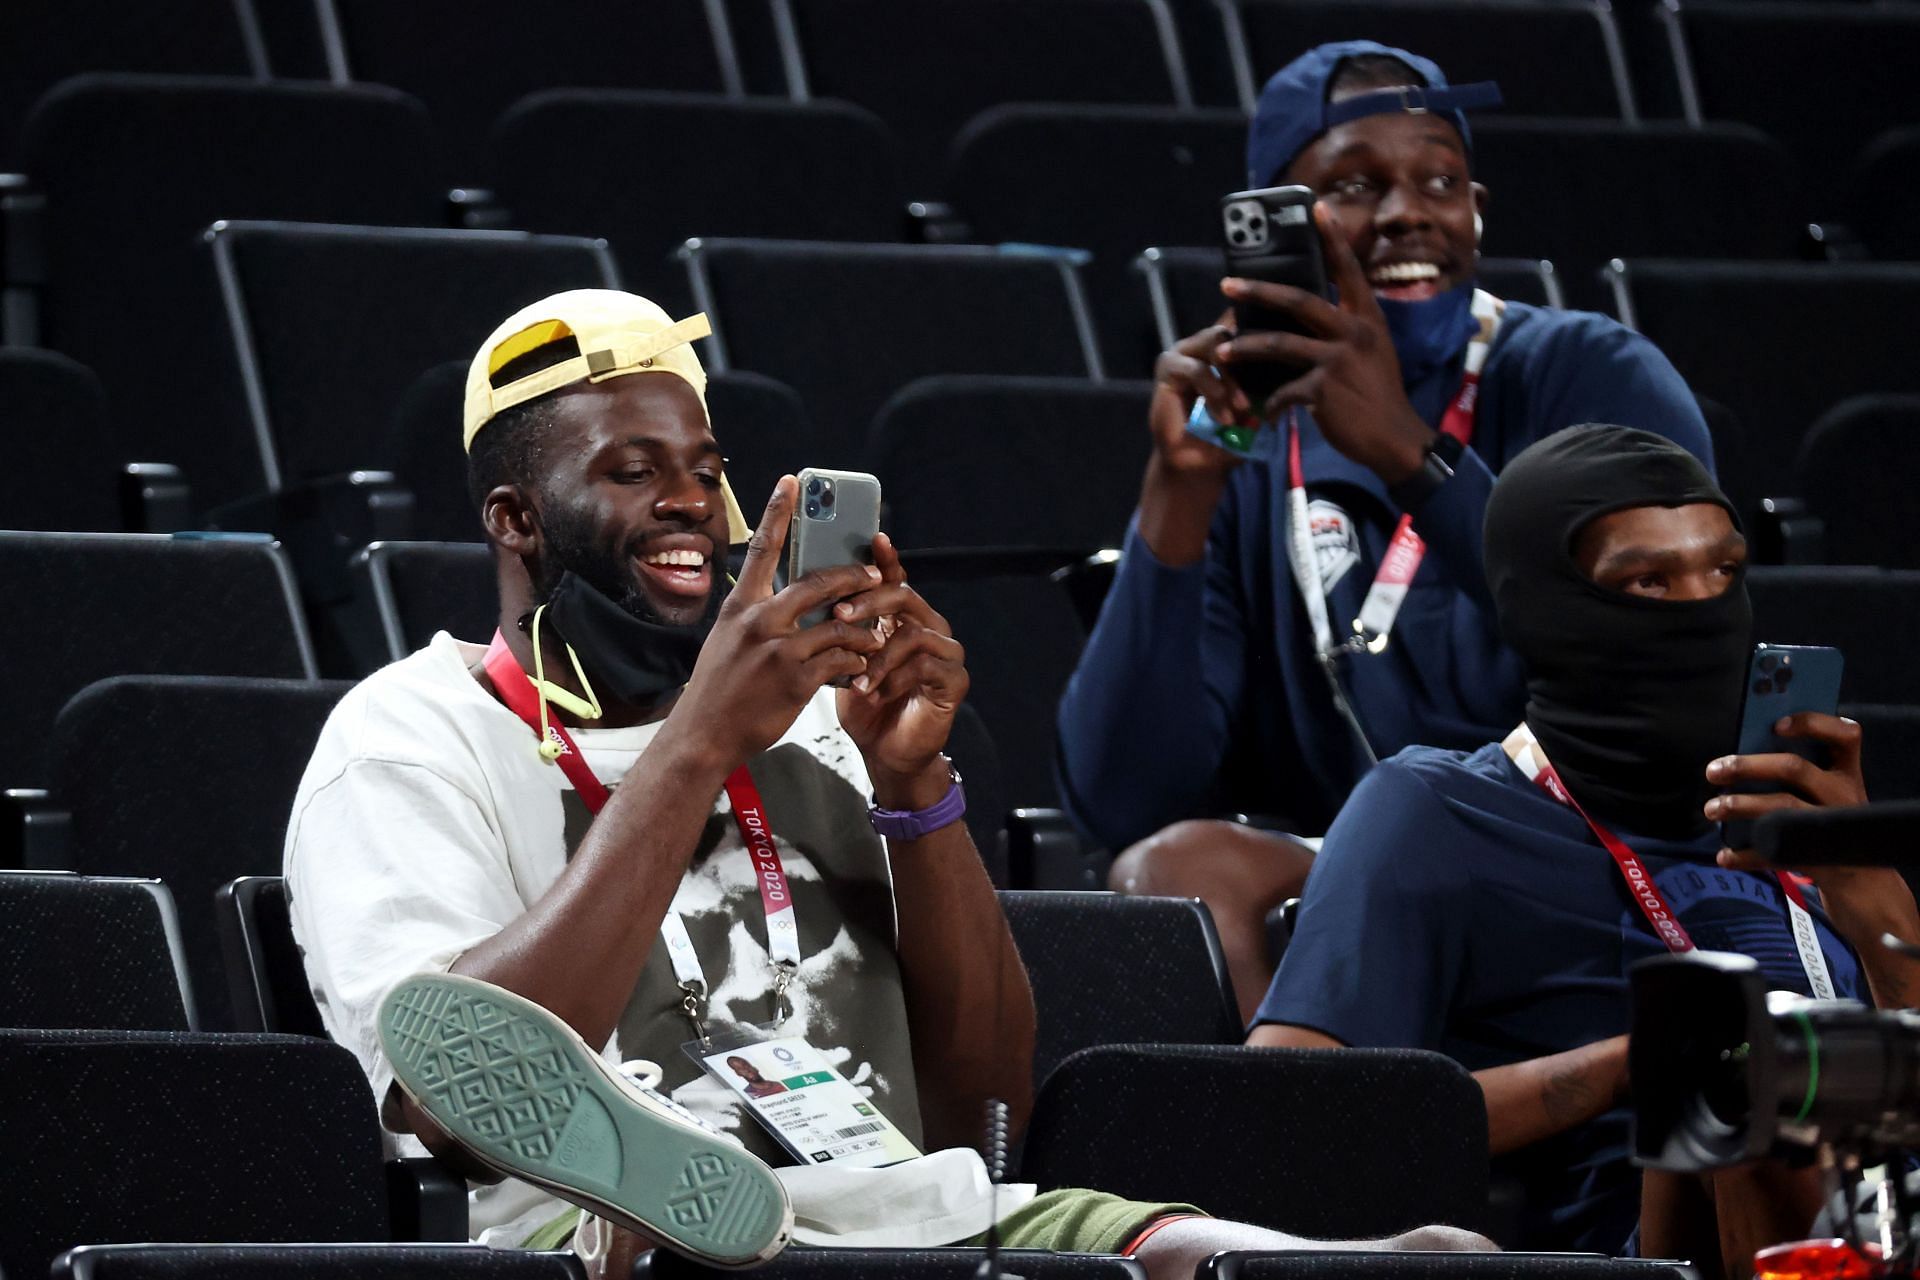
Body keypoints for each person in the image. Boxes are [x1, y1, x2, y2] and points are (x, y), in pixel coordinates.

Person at [285, 289, 1488, 1278]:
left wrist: (915, 786)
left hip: (914, 1217)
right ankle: (652, 1174)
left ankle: (1334, 1263)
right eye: (631, 469)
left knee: (1256, 1261)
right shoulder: (407, 736)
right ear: (516, 519)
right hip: (575, 1248)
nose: (691, 503)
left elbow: (983, 1111)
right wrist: (698, 741)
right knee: (652, 1239)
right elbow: (441, 1103)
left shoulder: (813, 728)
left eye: (706, 468)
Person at [1055, 41, 1717, 1014]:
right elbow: (1123, 801)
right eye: (1357, 185)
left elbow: (1660, 662)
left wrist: (1413, 455)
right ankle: (1279, 1161)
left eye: (1441, 180)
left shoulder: (1595, 376)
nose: (1409, 211)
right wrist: (1180, 487)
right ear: (1277, 226)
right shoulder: (1254, 445)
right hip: (1363, 857)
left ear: (1477, 207)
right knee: (1179, 867)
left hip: (1589, 840)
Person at [1247, 425, 1920, 1263]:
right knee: (1755, 1086)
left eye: (1723, 572)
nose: (1703, 607)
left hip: (1892, 1219)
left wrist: (1885, 926)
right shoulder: (1434, 813)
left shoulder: (1805, 829)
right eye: (1648, 581)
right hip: (1642, 1250)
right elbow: (1280, 1118)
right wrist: (1632, 1066)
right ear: (1547, 608)